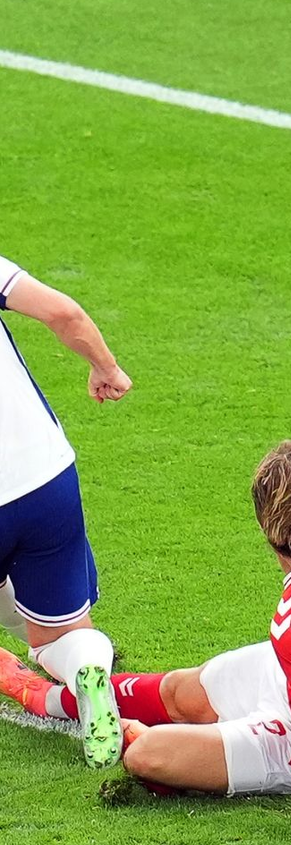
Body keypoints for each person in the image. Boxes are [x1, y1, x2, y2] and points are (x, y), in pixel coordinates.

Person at [0, 441, 291, 845]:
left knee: (148, 754)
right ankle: (45, 694)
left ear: (268, 528)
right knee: (181, 692)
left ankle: (99, 717)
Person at [0, 250, 131, 768]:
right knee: (63, 633)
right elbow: (64, 314)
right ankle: (86, 669)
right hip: (43, 478)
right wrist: (107, 368)